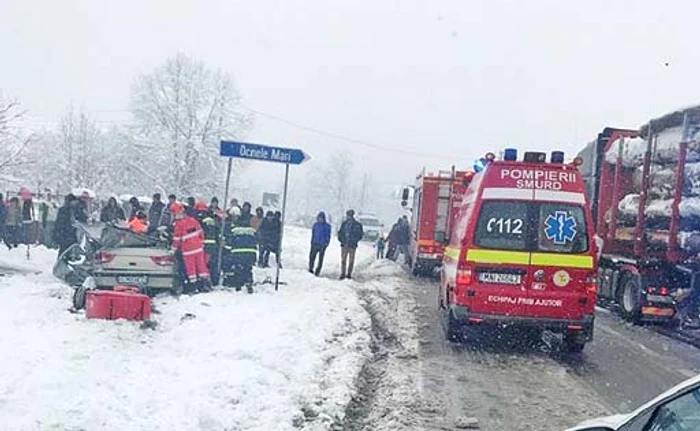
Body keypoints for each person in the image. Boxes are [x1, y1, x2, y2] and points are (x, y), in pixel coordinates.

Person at [171, 202, 211, 294]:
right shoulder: (192, 220)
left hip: (188, 250)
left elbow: (176, 239)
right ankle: (204, 284)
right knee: (201, 267)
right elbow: (201, 232)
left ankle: (193, 287)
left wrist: (172, 250)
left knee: (191, 269)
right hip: (198, 248)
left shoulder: (178, 224)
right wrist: (201, 243)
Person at [222, 207, 258, 293]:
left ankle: (238, 284)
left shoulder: (234, 229)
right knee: (247, 269)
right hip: (250, 253)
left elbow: (230, 241)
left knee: (238, 268)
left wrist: (227, 247)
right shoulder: (250, 229)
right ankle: (248, 282)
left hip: (238, 253)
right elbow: (256, 240)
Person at [194, 201, 220, 286]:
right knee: (211, 264)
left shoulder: (200, 218)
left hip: (203, 245)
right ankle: (213, 281)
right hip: (212, 245)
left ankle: (205, 282)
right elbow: (217, 231)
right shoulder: (211, 218)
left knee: (203, 265)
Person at [338, 209, 364, 280]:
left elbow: (360, 234)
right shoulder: (344, 224)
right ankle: (343, 273)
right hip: (344, 244)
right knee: (343, 260)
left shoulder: (357, 225)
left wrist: (355, 241)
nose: (348, 217)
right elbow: (340, 233)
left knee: (351, 260)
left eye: (349, 215)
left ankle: (349, 274)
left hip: (352, 245)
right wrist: (341, 240)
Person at [309, 211, 331, 276]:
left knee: (320, 259)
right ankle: (310, 268)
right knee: (312, 257)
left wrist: (326, 243)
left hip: (322, 245)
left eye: (321, 218)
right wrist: (312, 241)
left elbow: (328, 235)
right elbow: (313, 234)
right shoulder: (315, 225)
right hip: (315, 243)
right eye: (319, 218)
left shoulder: (327, 226)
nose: (320, 219)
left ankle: (317, 271)